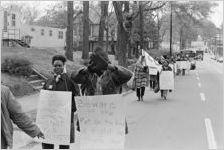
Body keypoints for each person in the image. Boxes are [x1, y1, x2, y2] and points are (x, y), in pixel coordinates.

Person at [71, 46, 132, 133]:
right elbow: (74, 77)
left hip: (111, 117)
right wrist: (86, 70)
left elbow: (128, 75)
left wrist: (111, 67)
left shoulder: (113, 75)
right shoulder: (88, 75)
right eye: (95, 62)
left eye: (100, 62)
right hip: (91, 116)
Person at [42, 55, 80, 149]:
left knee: (63, 146)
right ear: (52, 66)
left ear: (63, 66)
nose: (57, 68)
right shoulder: (48, 81)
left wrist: (70, 109)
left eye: (59, 65)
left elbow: (77, 98)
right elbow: (43, 100)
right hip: (49, 120)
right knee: (47, 144)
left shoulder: (70, 82)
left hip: (64, 120)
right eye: (55, 66)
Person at [1, 84, 44, 149]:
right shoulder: (3, 90)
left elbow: (18, 115)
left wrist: (35, 131)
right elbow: (18, 115)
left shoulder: (3, 91)